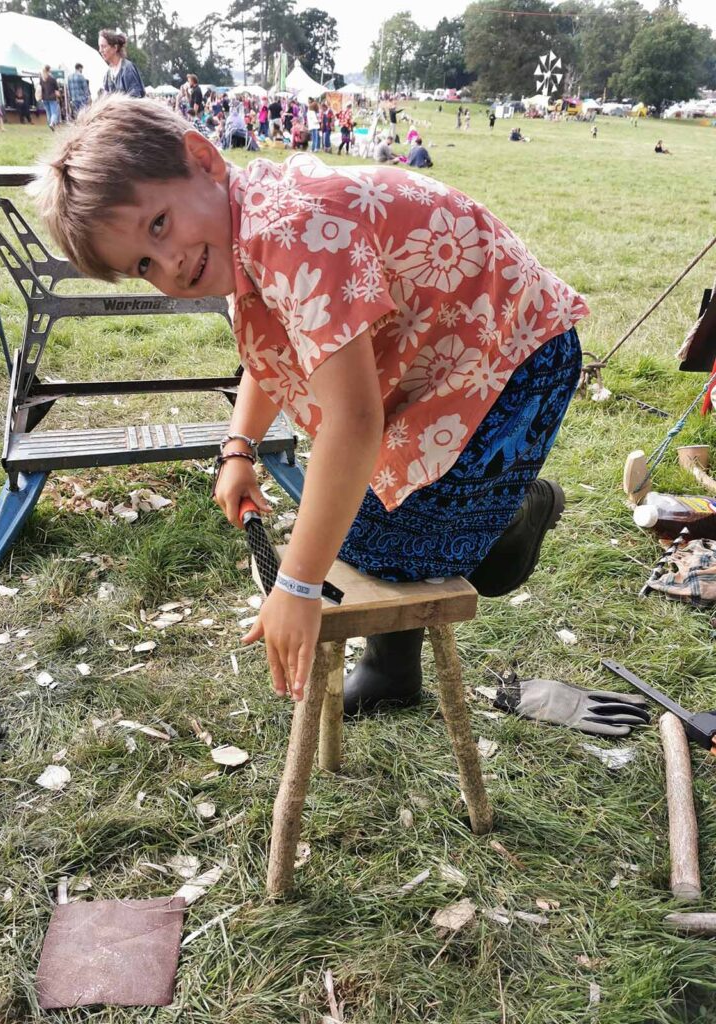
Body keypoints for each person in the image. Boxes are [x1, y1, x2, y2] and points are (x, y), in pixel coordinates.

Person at [33, 95, 589, 713]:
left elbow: (352, 423)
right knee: (364, 515)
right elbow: (274, 354)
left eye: (159, 224)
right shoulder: (237, 226)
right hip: (432, 358)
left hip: (511, 347)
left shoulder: (288, 230)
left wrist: (296, 586)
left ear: (203, 158)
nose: (169, 264)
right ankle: (397, 670)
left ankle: (514, 518)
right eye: (142, 263)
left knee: (398, 549)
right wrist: (238, 448)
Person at [98, 29, 145, 98]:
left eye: (104, 46)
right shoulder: (108, 74)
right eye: (100, 47)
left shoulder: (127, 69)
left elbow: (135, 98)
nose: (100, 50)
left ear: (115, 48)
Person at [40, 66, 60, 131]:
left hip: (44, 98)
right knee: (54, 113)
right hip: (52, 97)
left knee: (48, 113)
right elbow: (56, 89)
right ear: (49, 70)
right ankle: (52, 123)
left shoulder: (41, 78)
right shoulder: (52, 79)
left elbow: (41, 88)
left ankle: (50, 124)